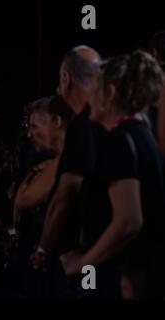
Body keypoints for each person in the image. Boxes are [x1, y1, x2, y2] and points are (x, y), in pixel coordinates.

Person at [60, 50, 165, 299]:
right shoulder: (145, 136)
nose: (89, 101)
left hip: (122, 280)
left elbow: (129, 220)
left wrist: (83, 262)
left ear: (110, 94)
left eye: (95, 89)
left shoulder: (118, 140)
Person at [32, 46, 104, 276]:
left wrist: (42, 250)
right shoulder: (112, 119)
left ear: (66, 78)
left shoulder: (83, 126)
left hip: (84, 258)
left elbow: (65, 198)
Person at [12, 96, 73, 298]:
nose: (30, 134)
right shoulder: (46, 161)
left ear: (56, 122)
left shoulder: (70, 158)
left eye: (35, 126)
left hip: (66, 260)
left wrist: (43, 250)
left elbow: (24, 200)